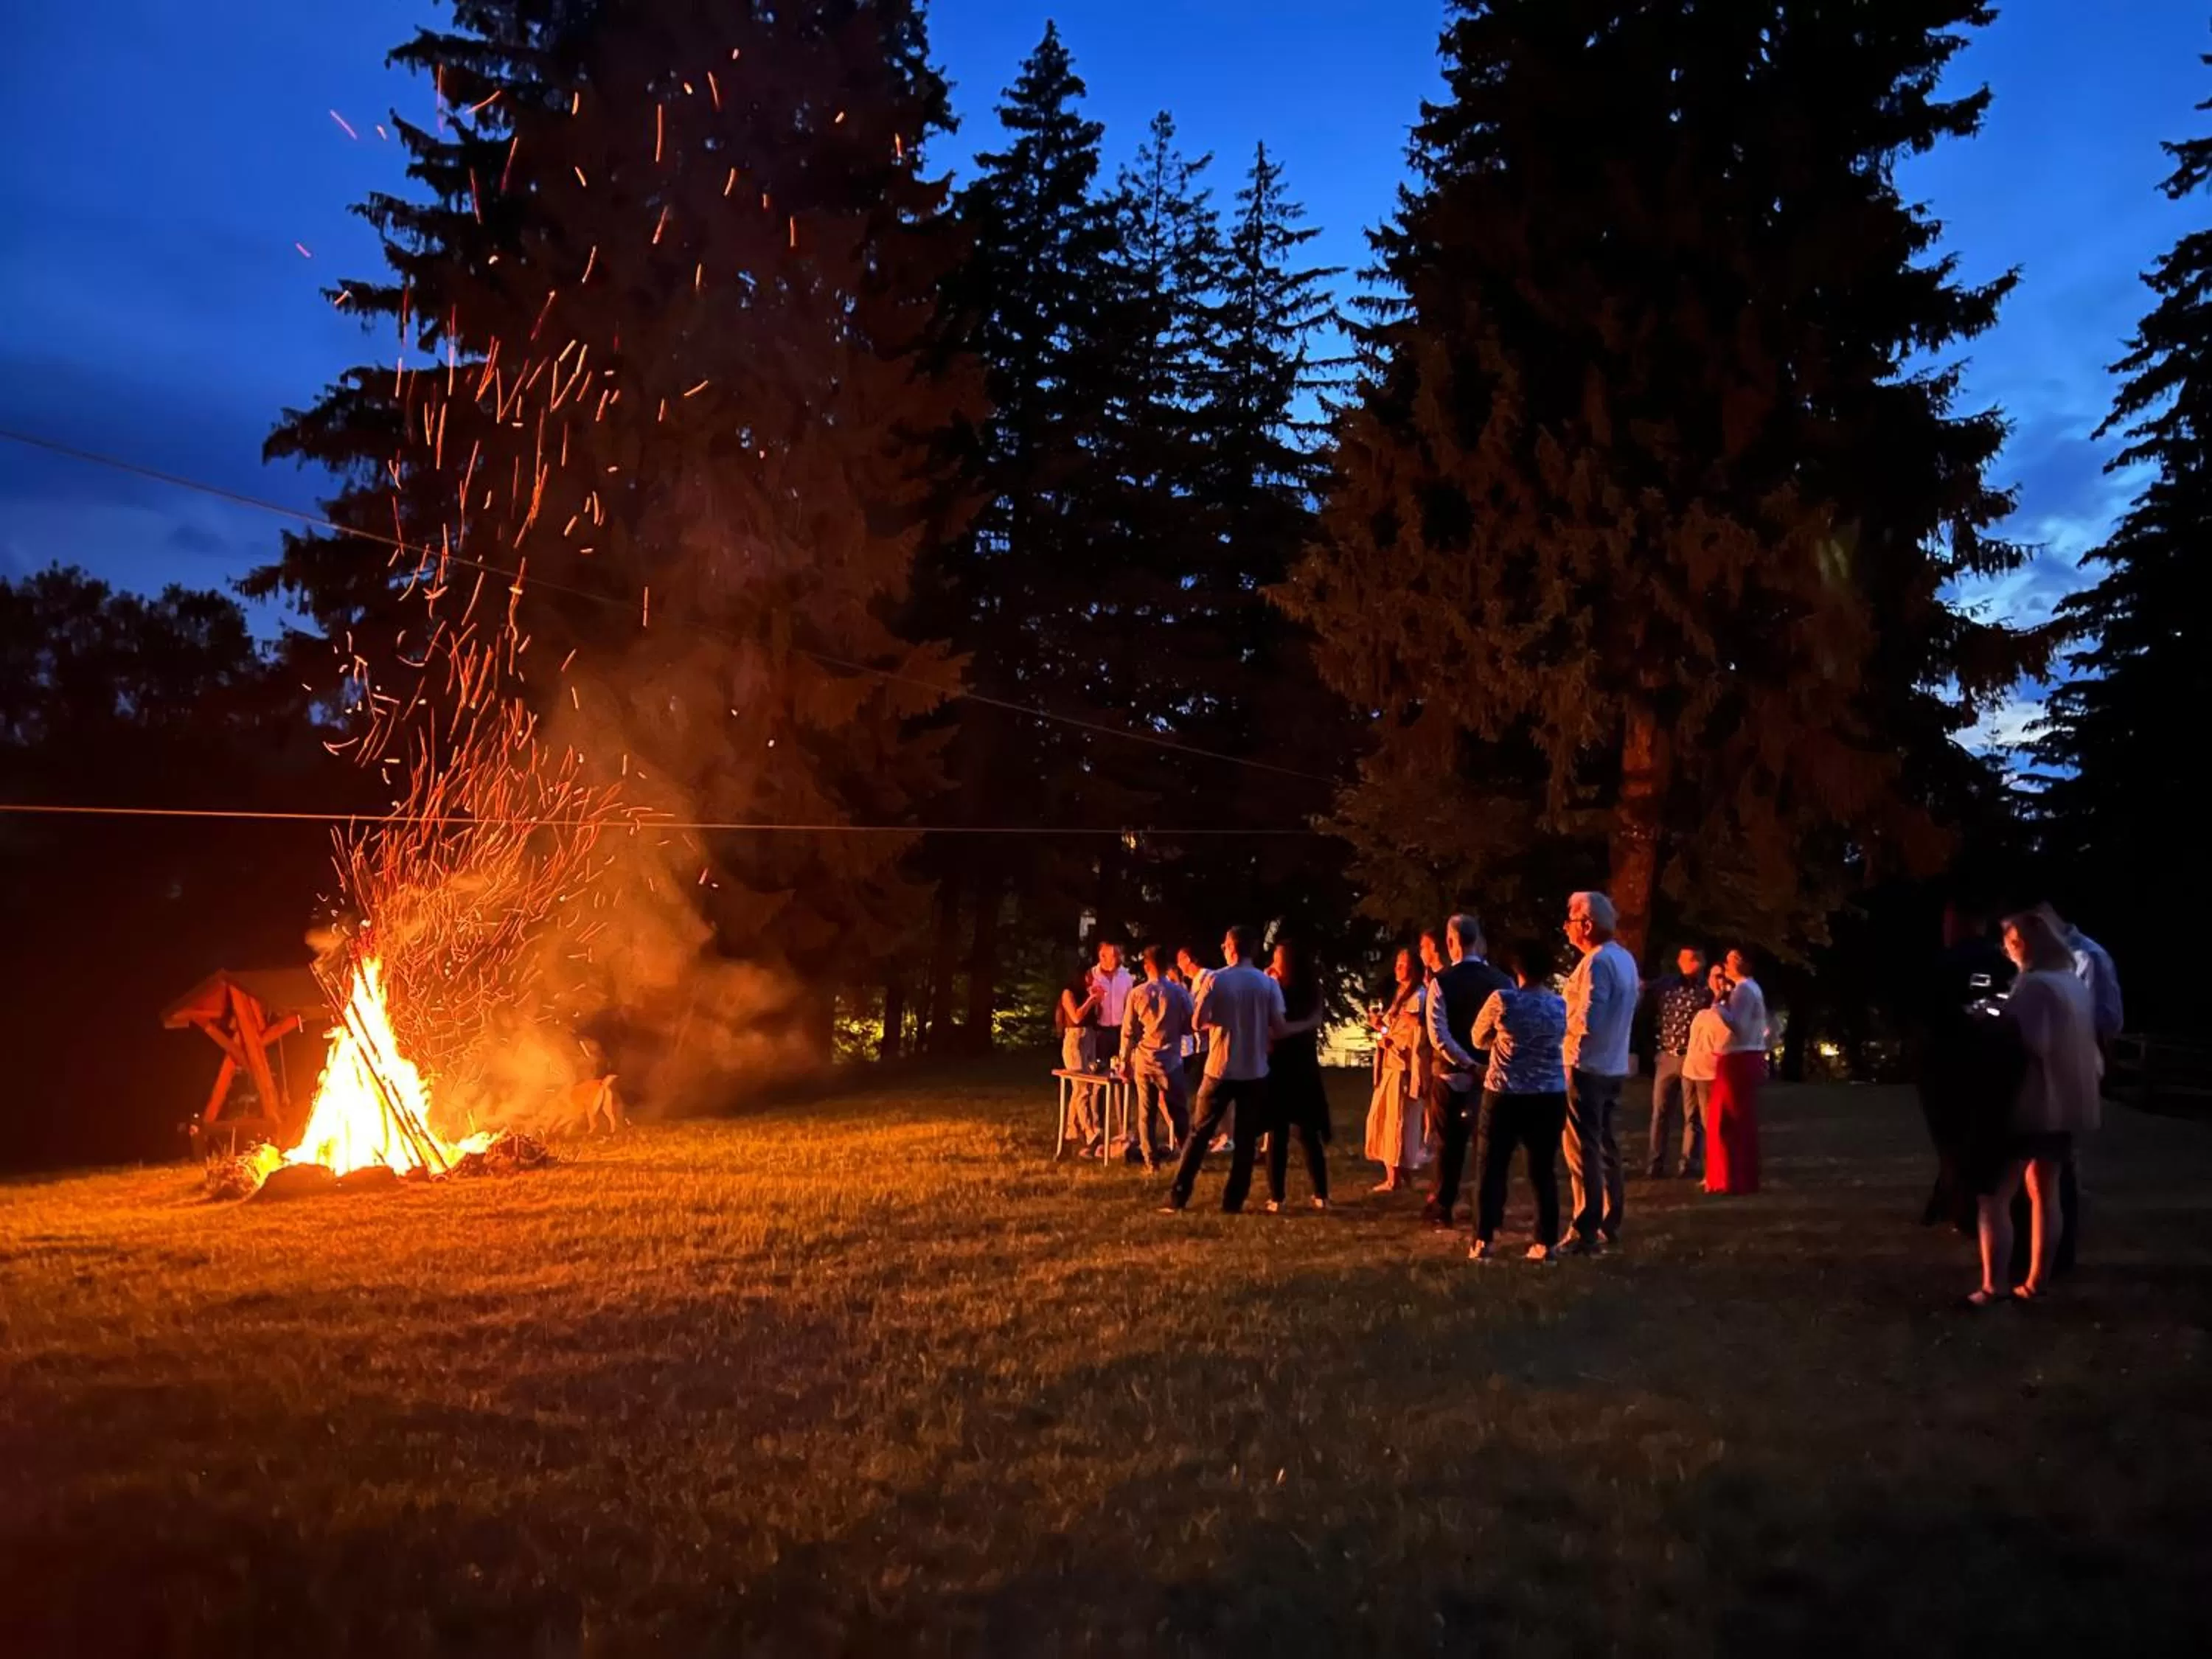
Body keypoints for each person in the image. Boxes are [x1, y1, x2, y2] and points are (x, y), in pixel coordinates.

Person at [1968, 910, 2102, 1307]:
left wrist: (1986, 1022)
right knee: (2045, 1191)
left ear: (2025, 944)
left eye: (2011, 943)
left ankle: (1994, 1286)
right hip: (2064, 1105)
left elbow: (2020, 1043)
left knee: (1995, 1196)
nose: (2007, 951)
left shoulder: (2035, 985)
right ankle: (2037, 1280)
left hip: (2030, 1104)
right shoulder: (2071, 983)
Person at [1162, 925, 1287, 1214]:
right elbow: (1278, 1027)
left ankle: (1179, 1196)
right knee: (1245, 1139)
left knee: (1199, 1133)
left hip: (1220, 1067)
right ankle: (1233, 1202)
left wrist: (1217, 1021)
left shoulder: (1217, 980)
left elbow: (1196, 1021)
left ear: (1231, 947)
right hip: (1255, 1069)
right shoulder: (1268, 984)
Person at [1913, 902, 2017, 1232]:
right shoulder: (2003, 962)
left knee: (1951, 1139)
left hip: (1947, 1066)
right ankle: (1956, 1200)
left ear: (1956, 923)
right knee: (1978, 1135)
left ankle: (1963, 1207)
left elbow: (1928, 1015)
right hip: (1993, 1063)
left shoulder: (1944, 964)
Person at [1467, 939, 1569, 1262]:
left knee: (1491, 1168)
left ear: (1516, 967)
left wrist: (1501, 1041)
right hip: (1550, 1094)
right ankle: (1546, 1241)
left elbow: (1477, 1038)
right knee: (1542, 1170)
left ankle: (1484, 1239)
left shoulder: (1503, 1000)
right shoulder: (1560, 1005)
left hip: (1505, 1093)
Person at [1422, 914, 1513, 1229]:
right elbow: (1510, 1029)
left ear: (1450, 942)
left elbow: (1439, 1035)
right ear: (1478, 940)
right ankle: (1491, 1208)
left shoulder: (1442, 982)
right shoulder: (1503, 982)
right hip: (1493, 1075)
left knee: (1449, 1144)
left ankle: (1444, 1204)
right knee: (1490, 1146)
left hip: (1452, 1075)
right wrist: (1487, 1063)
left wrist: (1466, 1063)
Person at [1560, 891, 1638, 1252]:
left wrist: (1558, 1027)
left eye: (1571, 922)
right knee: (1605, 1145)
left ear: (1587, 925)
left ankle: (1585, 1226)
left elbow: (1588, 1017)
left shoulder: (1596, 963)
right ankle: (1609, 1219)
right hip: (1613, 1064)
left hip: (1586, 1064)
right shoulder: (1625, 959)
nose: (1567, 929)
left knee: (1583, 1150)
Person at [1264, 941, 1332, 1211]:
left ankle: (1288, 1196)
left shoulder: (1290, 990)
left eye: (1277, 957)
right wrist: (1303, 1026)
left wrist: (1291, 1028)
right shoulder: (1284, 988)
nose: (1273, 961)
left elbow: (1276, 1030)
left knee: (1299, 1132)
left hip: (1290, 1063)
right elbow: (1309, 1022)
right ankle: (1301, 1195)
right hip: (1292, 1063)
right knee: (1285, 1132)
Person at [1119, 945, 1194, 1172]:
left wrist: (1124, 1061)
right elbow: (1190, 1025)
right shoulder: (1179, 992)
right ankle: (1189, 1157)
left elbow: (1128, 1031)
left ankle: (1151, 1162)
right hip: (1170, 1060)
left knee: (1146, 1112)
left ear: (1146, 966)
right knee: (1179, 1112)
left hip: (1144, 1059)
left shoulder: (1137, 993)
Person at [1364, 949, 1432, 1192]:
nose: (1397, 969)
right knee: (1386, 1117)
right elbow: (1392, 1031)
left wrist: (1388, 1038)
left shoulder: (1418, 997)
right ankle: (1400, 1176)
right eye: (1397, 964)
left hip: (1402, 1067)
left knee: (1397, 1120)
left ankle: (1394, 1178)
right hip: (1392, 1065)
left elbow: (1413, 1036)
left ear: (1413, 969)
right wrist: (1380, 1028)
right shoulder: (1402, 995)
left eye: (1402, 965)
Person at [1705, 947, 1769, 1195]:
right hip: (1746, 1055)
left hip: (1738, 1057)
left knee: (1729, 1120)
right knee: (1738, 1119)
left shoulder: (1743, 990)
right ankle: (1737, 1177)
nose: (1729, 964)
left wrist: (1718, 1005)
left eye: (1735, 960)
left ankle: (1730, 1178)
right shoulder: (1751, 988)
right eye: (1728, 959)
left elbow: (1738, 1026)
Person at [1644, 947, 1711, 1179]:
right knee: (1660, 1112)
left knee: (1691, 1114)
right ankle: (1655, 1164)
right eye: (1683, 958)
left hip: (1691, 1056)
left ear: (1700, 962)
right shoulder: (1667, 984)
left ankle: (1688, 1164)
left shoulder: (1707, 989)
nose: (1686, 962)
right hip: (1666, 1056)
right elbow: (1644, 989)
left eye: (1692, 958)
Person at [1681, 967, 1731, 1166]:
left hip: (1710, 1072)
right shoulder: (1708, 1004)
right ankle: (1700, 1164)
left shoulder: (1729, 1006)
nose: (1718, 981)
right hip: (1692, 1070)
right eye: (1714, 976)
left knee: (1713, 1123)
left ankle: (1718, 1169)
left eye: (1722, 977)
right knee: (1696, 1120)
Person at [1053, 957, 1103, 1153]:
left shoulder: (1085, 993)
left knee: (1085, 1086)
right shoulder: (1068, 993)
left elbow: (1093, 1017)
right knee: (1081, 1087)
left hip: (1089, 1038)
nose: (1092, 978)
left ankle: (1071, 1129)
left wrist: (1096, 1000)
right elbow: (1076, 1016)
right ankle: (1089, 1130)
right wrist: (1090, 1001)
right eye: (1089, 975)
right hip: (1075, 1040)